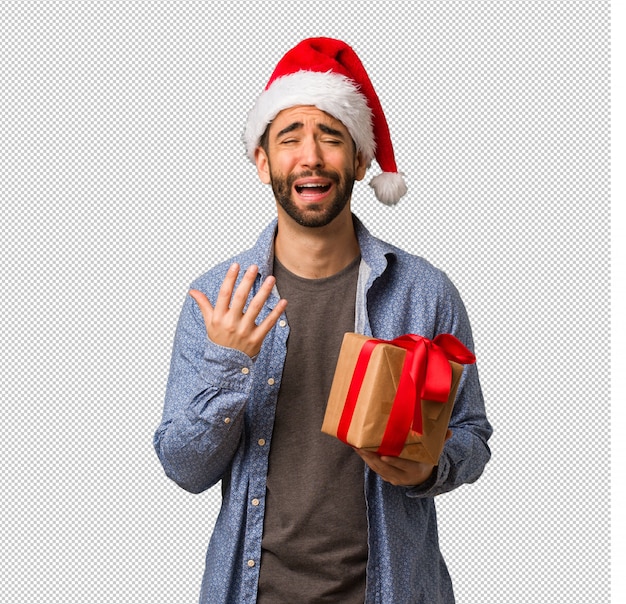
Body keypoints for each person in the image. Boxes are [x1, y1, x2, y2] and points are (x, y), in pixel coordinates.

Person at [154, 37, 492, 604]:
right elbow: (185, 468)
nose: (310, 156)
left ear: (360, 159)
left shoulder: (423, 290)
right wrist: (228, 364)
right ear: (262, 163)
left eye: (331, 137)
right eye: (290, 138)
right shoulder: (218, 297)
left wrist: (426, 470)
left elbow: (472, 436)